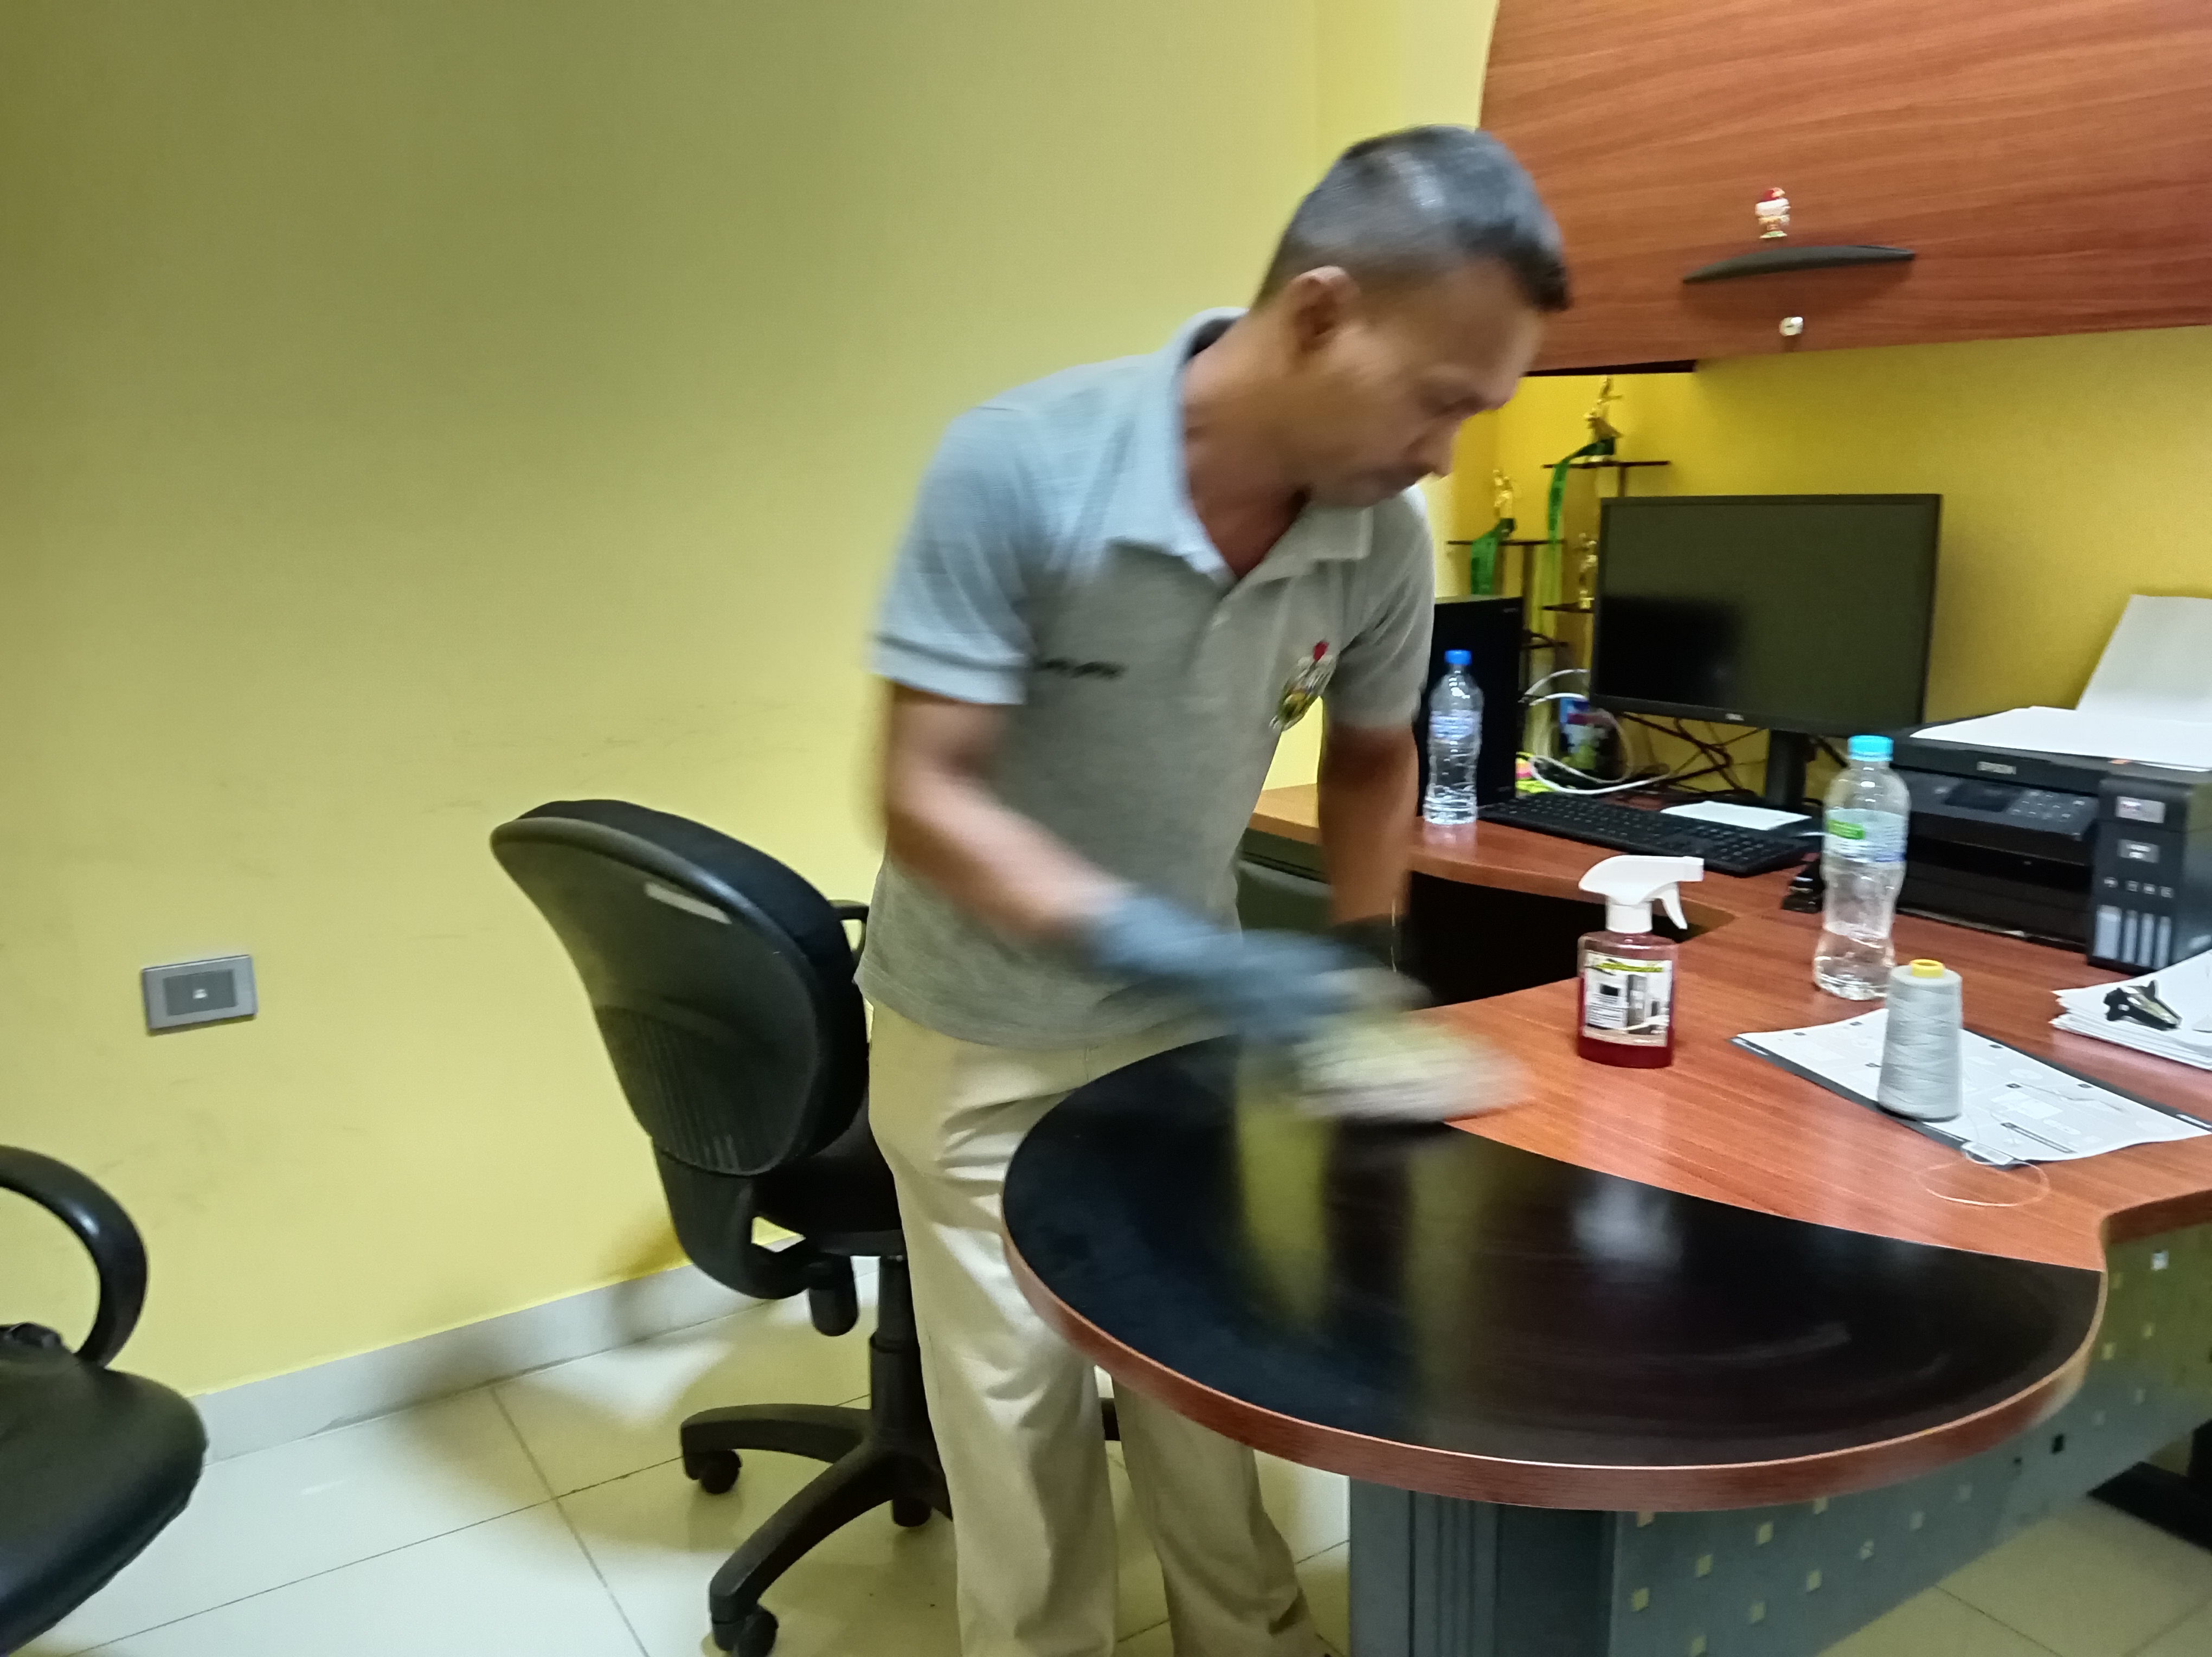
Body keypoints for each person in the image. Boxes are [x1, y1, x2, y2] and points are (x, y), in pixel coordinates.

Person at [861, 125, 1567, 1657]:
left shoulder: (1376, 539)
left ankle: (1247, 1634)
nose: (1447, 451)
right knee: (1021, 1421)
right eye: (1441, 398)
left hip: (1175, 1043)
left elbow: (1373, 759)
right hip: (977, 1029)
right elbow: (923, 792)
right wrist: (1180, 952)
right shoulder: (1020, 469)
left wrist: (1363, 963)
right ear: (1320, 312)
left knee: (1201, 1368)